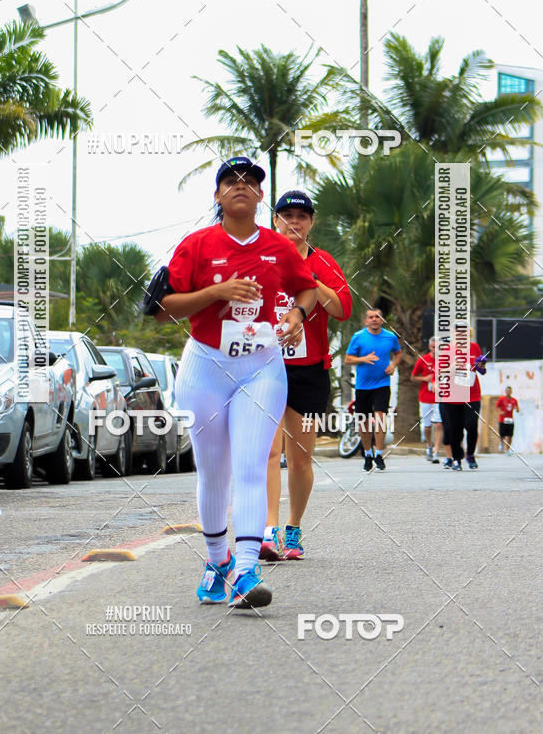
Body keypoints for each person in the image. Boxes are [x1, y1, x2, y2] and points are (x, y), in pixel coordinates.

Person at [156, 157, 317, 609]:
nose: (241, 187)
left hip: (262, 365)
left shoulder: (278, 246)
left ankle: (246, 569)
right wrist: (216, 293)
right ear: (218, 196)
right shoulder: (196, 245)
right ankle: (217, 562)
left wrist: (296, 314)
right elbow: (165, 307)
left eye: (251, 182)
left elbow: (305, 288)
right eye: (231, 181)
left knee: (251, 464)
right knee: (213, 472)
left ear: (261, 196)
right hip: (205, 365)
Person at [262, 191, 352, 562]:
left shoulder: (323, 262)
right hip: (264, 366)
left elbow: (344, 309)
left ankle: (293, 528)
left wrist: (312, 280)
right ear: (275, 220)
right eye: (286, 215)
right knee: (268, 453)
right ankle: (268, 531)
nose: (293, 222)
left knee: (300, 457)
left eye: (301, 216)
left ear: (311, 223)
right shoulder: (262, 258)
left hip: (310, 371)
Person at [344, 308, 402, 471]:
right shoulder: (358, 337)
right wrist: (364, 358)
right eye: (371, 317)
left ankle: (379, 453)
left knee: (381, 417)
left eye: (377, 316)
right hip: (363, 386)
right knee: (363, 422)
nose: (374, 319)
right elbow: (348, 359)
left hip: (382, 384)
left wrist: (393, 365)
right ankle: (368, 454)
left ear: (382, 320)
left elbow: (398, 353)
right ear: (366, 321)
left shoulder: (390, 337)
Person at [437, 334, 486, 470]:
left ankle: (470, 454)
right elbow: (440, 372)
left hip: (472, 394)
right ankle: (457, 459)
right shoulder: (447, 350)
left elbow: (481, 370)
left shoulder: (474, 347)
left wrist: (480, 366)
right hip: (453, 395)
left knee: (471, 425)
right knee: (454, 429)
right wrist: (452, 367)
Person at [411, 337, 443, 463]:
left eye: (438, 347)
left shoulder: (444, 360)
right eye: (434, 347)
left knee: (439, 424)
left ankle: (436, 451)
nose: (436, 350)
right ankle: (429, 445)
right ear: (430, 347)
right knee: (428, 426)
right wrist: (425, 379)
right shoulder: (423, 360)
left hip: (440, 397)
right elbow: (413, 377)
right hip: (425, 397)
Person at [496, 386, 519, 453]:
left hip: (510, 420)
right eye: (507, 391)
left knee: (510, 435)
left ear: (511, 392)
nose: (508, 392)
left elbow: (517, 409)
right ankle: (501, 443)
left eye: (509, 391)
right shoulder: (501, 399)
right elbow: (497, 407)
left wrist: (517, 409)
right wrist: (500, 412)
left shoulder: (514, 400)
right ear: (505, 391)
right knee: (502, 434)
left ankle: (507, 450)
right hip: (502, 420)